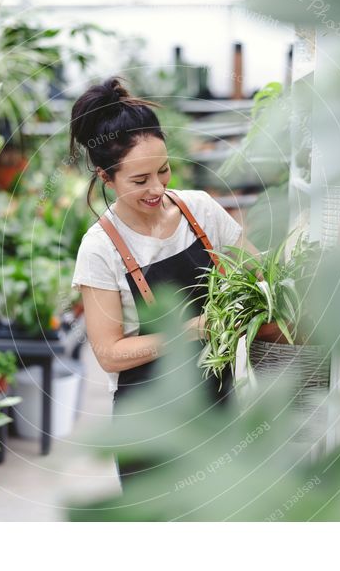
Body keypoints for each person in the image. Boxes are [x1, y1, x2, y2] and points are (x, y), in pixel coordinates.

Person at [69, 77, 257, 480]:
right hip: (147, 423)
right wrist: (190, 330)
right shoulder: (100, 248)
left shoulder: (200, 210)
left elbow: (255, 274)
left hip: (218, 404)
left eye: (164, 170)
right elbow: (108, 352)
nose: (158, 188)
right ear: (106, 178)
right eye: (139, 181)